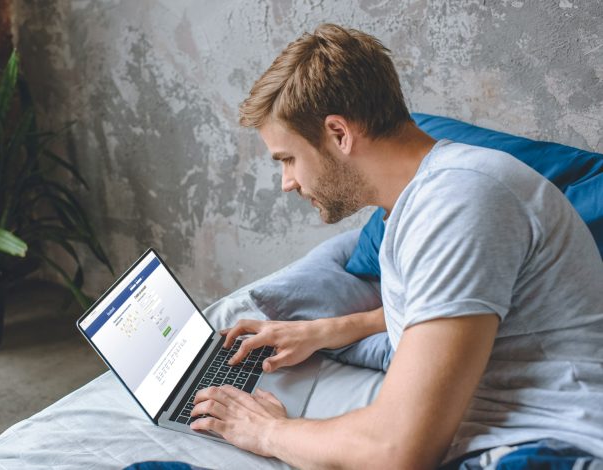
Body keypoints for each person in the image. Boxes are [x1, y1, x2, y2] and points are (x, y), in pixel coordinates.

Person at [188, 24, 603, 469]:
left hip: (546, 451)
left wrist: (266, 431)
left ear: (339, 133)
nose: (288, 183)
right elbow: (458, 305)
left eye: (288, 159)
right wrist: (326, 331)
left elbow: (397, 451)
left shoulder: (460, 203)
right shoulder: (424, 201)